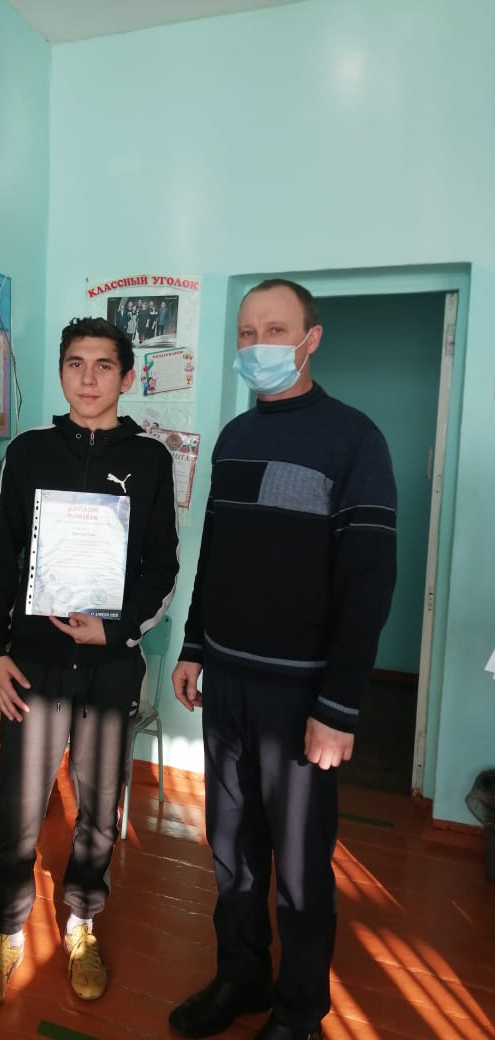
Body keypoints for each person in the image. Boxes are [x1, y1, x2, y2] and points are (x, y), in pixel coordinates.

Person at [168, 279, 397, 1040]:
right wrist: (193, 645)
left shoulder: (353, 440)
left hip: (300, 698)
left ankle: (299, 1011)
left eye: (274, 329)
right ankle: (241, 976)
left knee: (300, 867)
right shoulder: (234, 437)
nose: (256, 344)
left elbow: (368, 584)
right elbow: (216, 556)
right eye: (246, 331)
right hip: (226, 681)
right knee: (232, 850)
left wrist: (339, 708)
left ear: (310, 339)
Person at [0, 315, 179, 1013]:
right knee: (18, 805)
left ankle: (81, 922)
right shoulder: (29, 452)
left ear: (126, 376)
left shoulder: (151, 461)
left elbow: (162, 569)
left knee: (100, 805)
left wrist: (114, 630)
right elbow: (0, 557)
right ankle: (6, 931)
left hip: (111, 664)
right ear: (61, 372)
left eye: (103, 365)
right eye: (75, 364)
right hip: (32, 664)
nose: (88, 379)